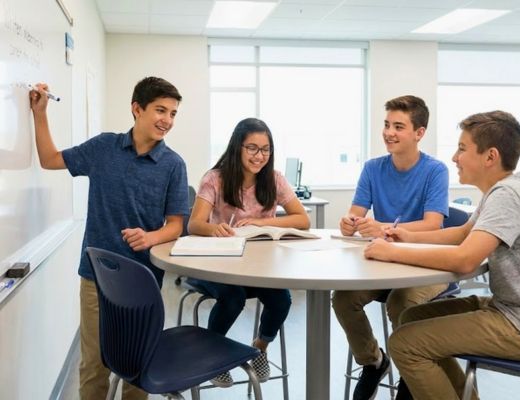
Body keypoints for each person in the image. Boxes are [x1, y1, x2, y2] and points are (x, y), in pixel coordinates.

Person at [365, 110, 520, 400]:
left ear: (490, 157)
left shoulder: (507, 197)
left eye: (462, 149)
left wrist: (391, 252)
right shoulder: (505, 189)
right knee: (410, 319)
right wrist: (409, 236)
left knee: (405, 344)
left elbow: (465, 259)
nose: (454, 157)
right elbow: (463, 233)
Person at [29, 77, 189, 400]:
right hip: (96, 279)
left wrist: (150, 237)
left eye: (173, 113)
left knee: (137, 369)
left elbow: (176, 225)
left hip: (143, 280)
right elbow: (49, 159)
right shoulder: (104, 148)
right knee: (94, 366)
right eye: (161, 110)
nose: (167, 120)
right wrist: (40, 114)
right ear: (136, 109)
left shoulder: (174, 165)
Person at [332, 95, 449, 400]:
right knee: (343, 299)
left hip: (425, 266)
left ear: (419, 133)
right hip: (383, 263)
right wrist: (350, 223)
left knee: (401, 302)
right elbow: (356, 213)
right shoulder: (373, 168)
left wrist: (384, 227)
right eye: (386, 125)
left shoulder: (435, 171)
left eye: (399, 126)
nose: (389, 132)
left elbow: (433, 225)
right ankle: (374, 362)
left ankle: (411, 372)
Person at [186, 117, 310, 387]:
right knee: (233, 298)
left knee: (282, 300)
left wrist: (263, 222)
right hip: (218, 265)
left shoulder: (274, 179)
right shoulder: (215, 178)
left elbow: (302, 219)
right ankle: (214, 355)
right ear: (237, 148)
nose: (259, 156)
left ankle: (260, 348)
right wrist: (214, 229)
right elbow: (194, 223)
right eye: (252, 148)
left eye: (265, 149)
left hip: (256, 267)